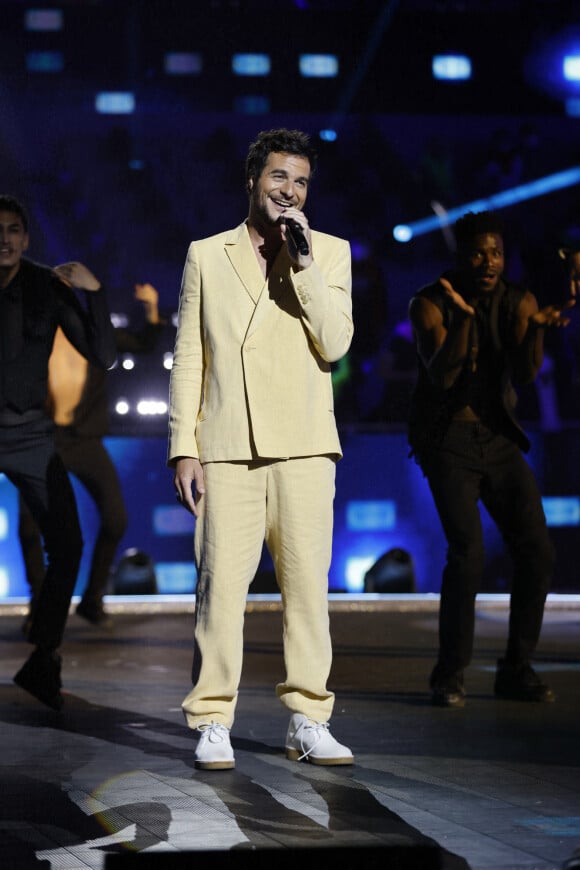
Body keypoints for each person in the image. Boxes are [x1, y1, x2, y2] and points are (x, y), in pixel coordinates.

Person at [168, 128, 354, 769]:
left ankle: (308, 717)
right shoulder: (206, 253)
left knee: (307, 591)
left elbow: (334, 343)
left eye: (301, 182)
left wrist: (301, 267)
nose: (290, 191)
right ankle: (212, 717)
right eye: (280, 178)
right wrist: (183, 449)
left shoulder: (328, 252)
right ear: (253, 180)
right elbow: (190, 354)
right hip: (227, 445)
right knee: (219, 590)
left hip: (304, 444)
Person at [407, 210, 575, 708]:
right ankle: (449, 673)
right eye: (479, 253)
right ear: (462, 256)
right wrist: (463, 320)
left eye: (496, 252)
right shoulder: (429, 304)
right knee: (468, 555)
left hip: (498, 440)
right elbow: (443, 377)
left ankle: (516, 669)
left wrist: (538, 328)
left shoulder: (517, 299)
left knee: (538, 552)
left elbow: (524, 374)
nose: (489, 262)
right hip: (447, 442)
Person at [0, 193, 116, 710]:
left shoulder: (48, 286)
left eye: (13, 229)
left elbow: (104, 356)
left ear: (25, 238)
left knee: (67, 544)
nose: (4, 238)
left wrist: (98, 293)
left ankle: (45, 655)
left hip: (29, 437)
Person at [18, 282, 167, 628]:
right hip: (41, 439)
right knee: (29, 526)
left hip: (83, 440)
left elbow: (145, 344)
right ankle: (40, 603)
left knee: (116, 518)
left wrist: (152, 309)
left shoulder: (96, 337)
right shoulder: (29, 336)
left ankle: (92, 600)